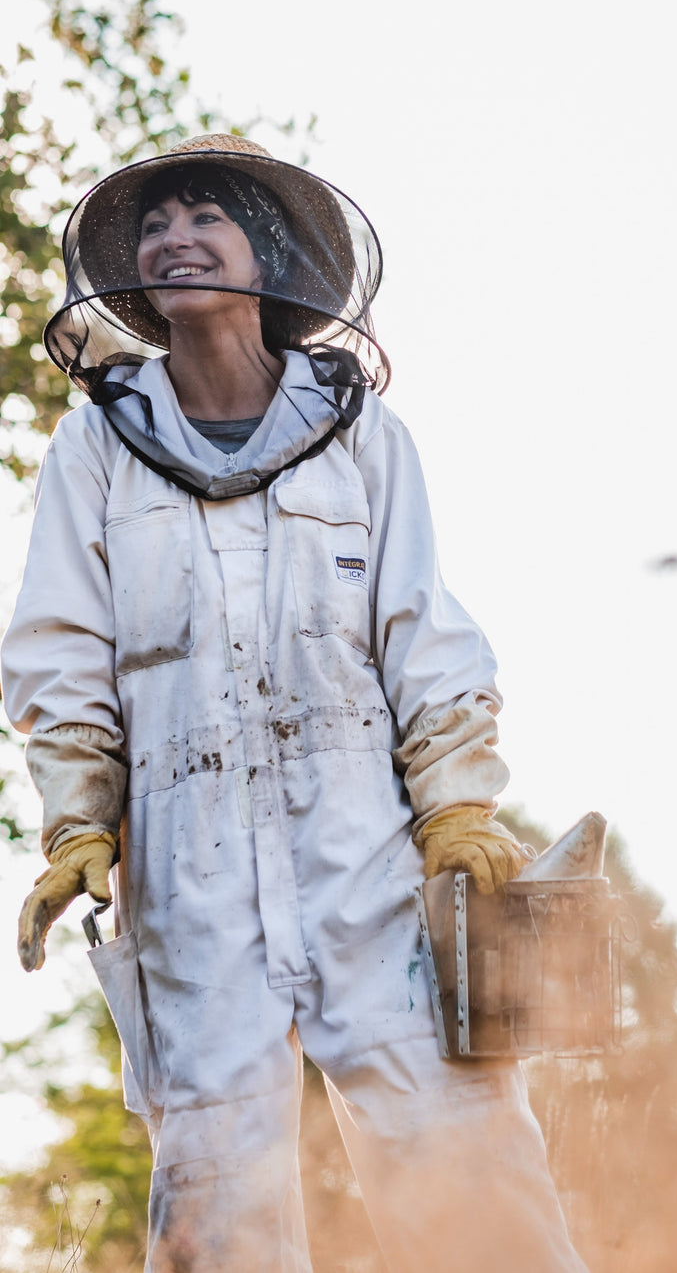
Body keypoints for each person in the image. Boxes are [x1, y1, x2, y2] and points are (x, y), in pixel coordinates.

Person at [1, 134, 590, 1273]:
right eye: (157, 224)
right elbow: (62, 648)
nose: (176, 238)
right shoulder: (96, 447)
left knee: (466, 1164)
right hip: (185, 867)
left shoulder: (359, 435)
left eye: (205, 217)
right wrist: (79, 822)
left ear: (265, 261)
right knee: (215, 1194)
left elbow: (420, 630)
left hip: (367, 854)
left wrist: (459, 809)